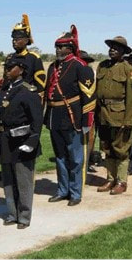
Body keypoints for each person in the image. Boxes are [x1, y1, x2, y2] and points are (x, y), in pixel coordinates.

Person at [0, 55, 43, 229]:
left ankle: (24, 216)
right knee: (8, 181)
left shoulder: (28, 91)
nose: (7, 71)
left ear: (21, 69)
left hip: (22, 142)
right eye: (6, 68)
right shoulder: (4, 90)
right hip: (5, 142)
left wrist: (32, 141)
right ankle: (12, 213)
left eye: (10, 68)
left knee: (23, 181)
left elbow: (37, 120)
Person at [44, 25, 96, 206]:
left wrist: (87, 120)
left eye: (62, 46)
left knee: (75, 158)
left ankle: (75, 193)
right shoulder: (52, 66)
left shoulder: (81, 67)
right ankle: (62, 189)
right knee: (60, 157)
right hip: (54, 117)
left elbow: (89, 96)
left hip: (73, 118)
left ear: (71, 48)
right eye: (56, 46)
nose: (58, 50)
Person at [95, 36, 132, 195]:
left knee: (120, 149)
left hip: (119, 115)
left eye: (117, 48)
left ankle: (121, 181)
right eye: (111, 47)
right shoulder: (102, 66)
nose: (112, 49)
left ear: (123, 52)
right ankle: (110, 178)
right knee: (106, 148)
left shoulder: (128, 69)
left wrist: (128, 120)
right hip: (103, 114)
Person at [4, 14, 46, 92]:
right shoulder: (9, 57)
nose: (14, 41)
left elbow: (40, 84)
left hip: (27, 96)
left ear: (26, 41)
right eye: (13, 39)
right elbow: (6, 80)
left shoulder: (34, 58)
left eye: (17, 39)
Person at [80, 50, 98, 174]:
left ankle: (86, 163)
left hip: (92, 109)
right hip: (77, 110)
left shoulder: (92, 72)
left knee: (90, 137)